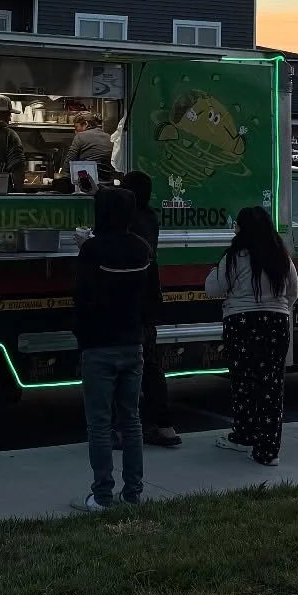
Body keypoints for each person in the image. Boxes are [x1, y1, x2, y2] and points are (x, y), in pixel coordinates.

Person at [71, 186, 158, 509]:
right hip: (132, 343)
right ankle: (133, 493)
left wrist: (81, 335)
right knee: (131, 420)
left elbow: (82, 298)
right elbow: (152, 298)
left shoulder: (92, 250)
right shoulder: (142, 248)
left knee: (99, 424)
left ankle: (102, 495)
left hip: (98, 345)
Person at [204, 205, 298, 466]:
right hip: (277, 322)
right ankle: (268, 450)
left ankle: (244, 435)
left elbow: (213, 288)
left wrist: (213, 272)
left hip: (241, 323)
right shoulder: (281, 256)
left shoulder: (235, 257)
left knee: (243, 382)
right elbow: (293, 291)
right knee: (271, 386)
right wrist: (280, 309)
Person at [122, 170, 181, 447]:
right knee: (151, 366)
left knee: (123, 366)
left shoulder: (128, 221)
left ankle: (122, 429)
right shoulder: (149, 218)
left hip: (129, 303)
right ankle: (165, 426)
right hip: (148, 300)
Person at [65, 111, 116, 184]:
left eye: (76, 127)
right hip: (108, 184)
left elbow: (69, 163)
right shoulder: (109, 137)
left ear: (85, 124)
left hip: (89, 185)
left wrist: (61, 179)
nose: (75, 131)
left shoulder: (80, 136)